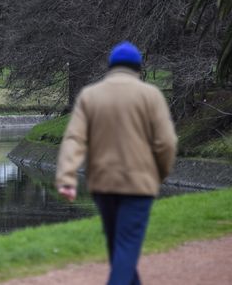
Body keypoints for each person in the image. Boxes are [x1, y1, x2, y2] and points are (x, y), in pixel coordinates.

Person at [55, 41, 177, 285]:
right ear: (138, 68)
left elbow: (74, 139)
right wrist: (160, 173)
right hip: (139, 184)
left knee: (118, 248)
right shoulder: (150, 95)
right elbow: (167, 142)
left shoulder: (91, 95)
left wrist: (67, 177)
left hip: (103, 184)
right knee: (126, 247)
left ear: (110, 67)